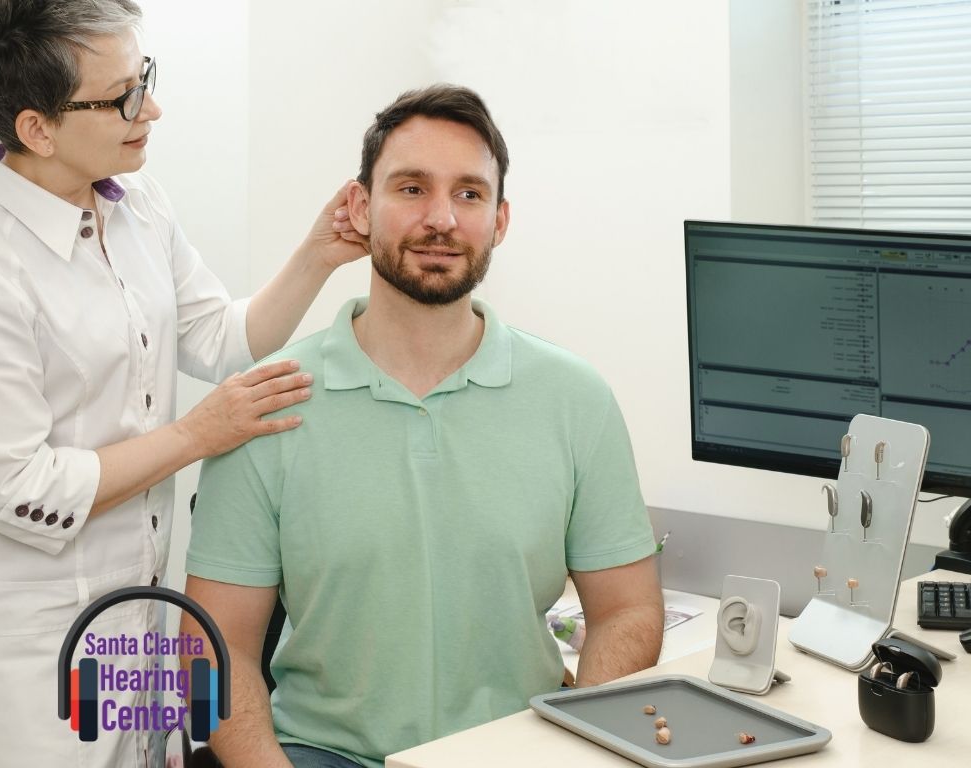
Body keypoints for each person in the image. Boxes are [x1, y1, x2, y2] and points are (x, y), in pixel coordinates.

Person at [182, 84, 663, 768]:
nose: (441, 218)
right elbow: (208, 645)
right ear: (358, 207)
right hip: (320, 754)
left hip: (515, 751)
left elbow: (629, 613)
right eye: (411, 188)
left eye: (469, 194)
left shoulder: (575, 399)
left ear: (499, 221)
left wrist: (580, 749)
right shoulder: (269, 400)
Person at [0, 1, 367, 767]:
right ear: (37, 128)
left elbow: (221, 339)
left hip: (140, 624)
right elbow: (15, 486)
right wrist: (197, 436)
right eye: (123, 98)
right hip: (35, 645)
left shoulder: (137, 204)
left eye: (144, 79)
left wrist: (319, 253)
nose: (153, 109)